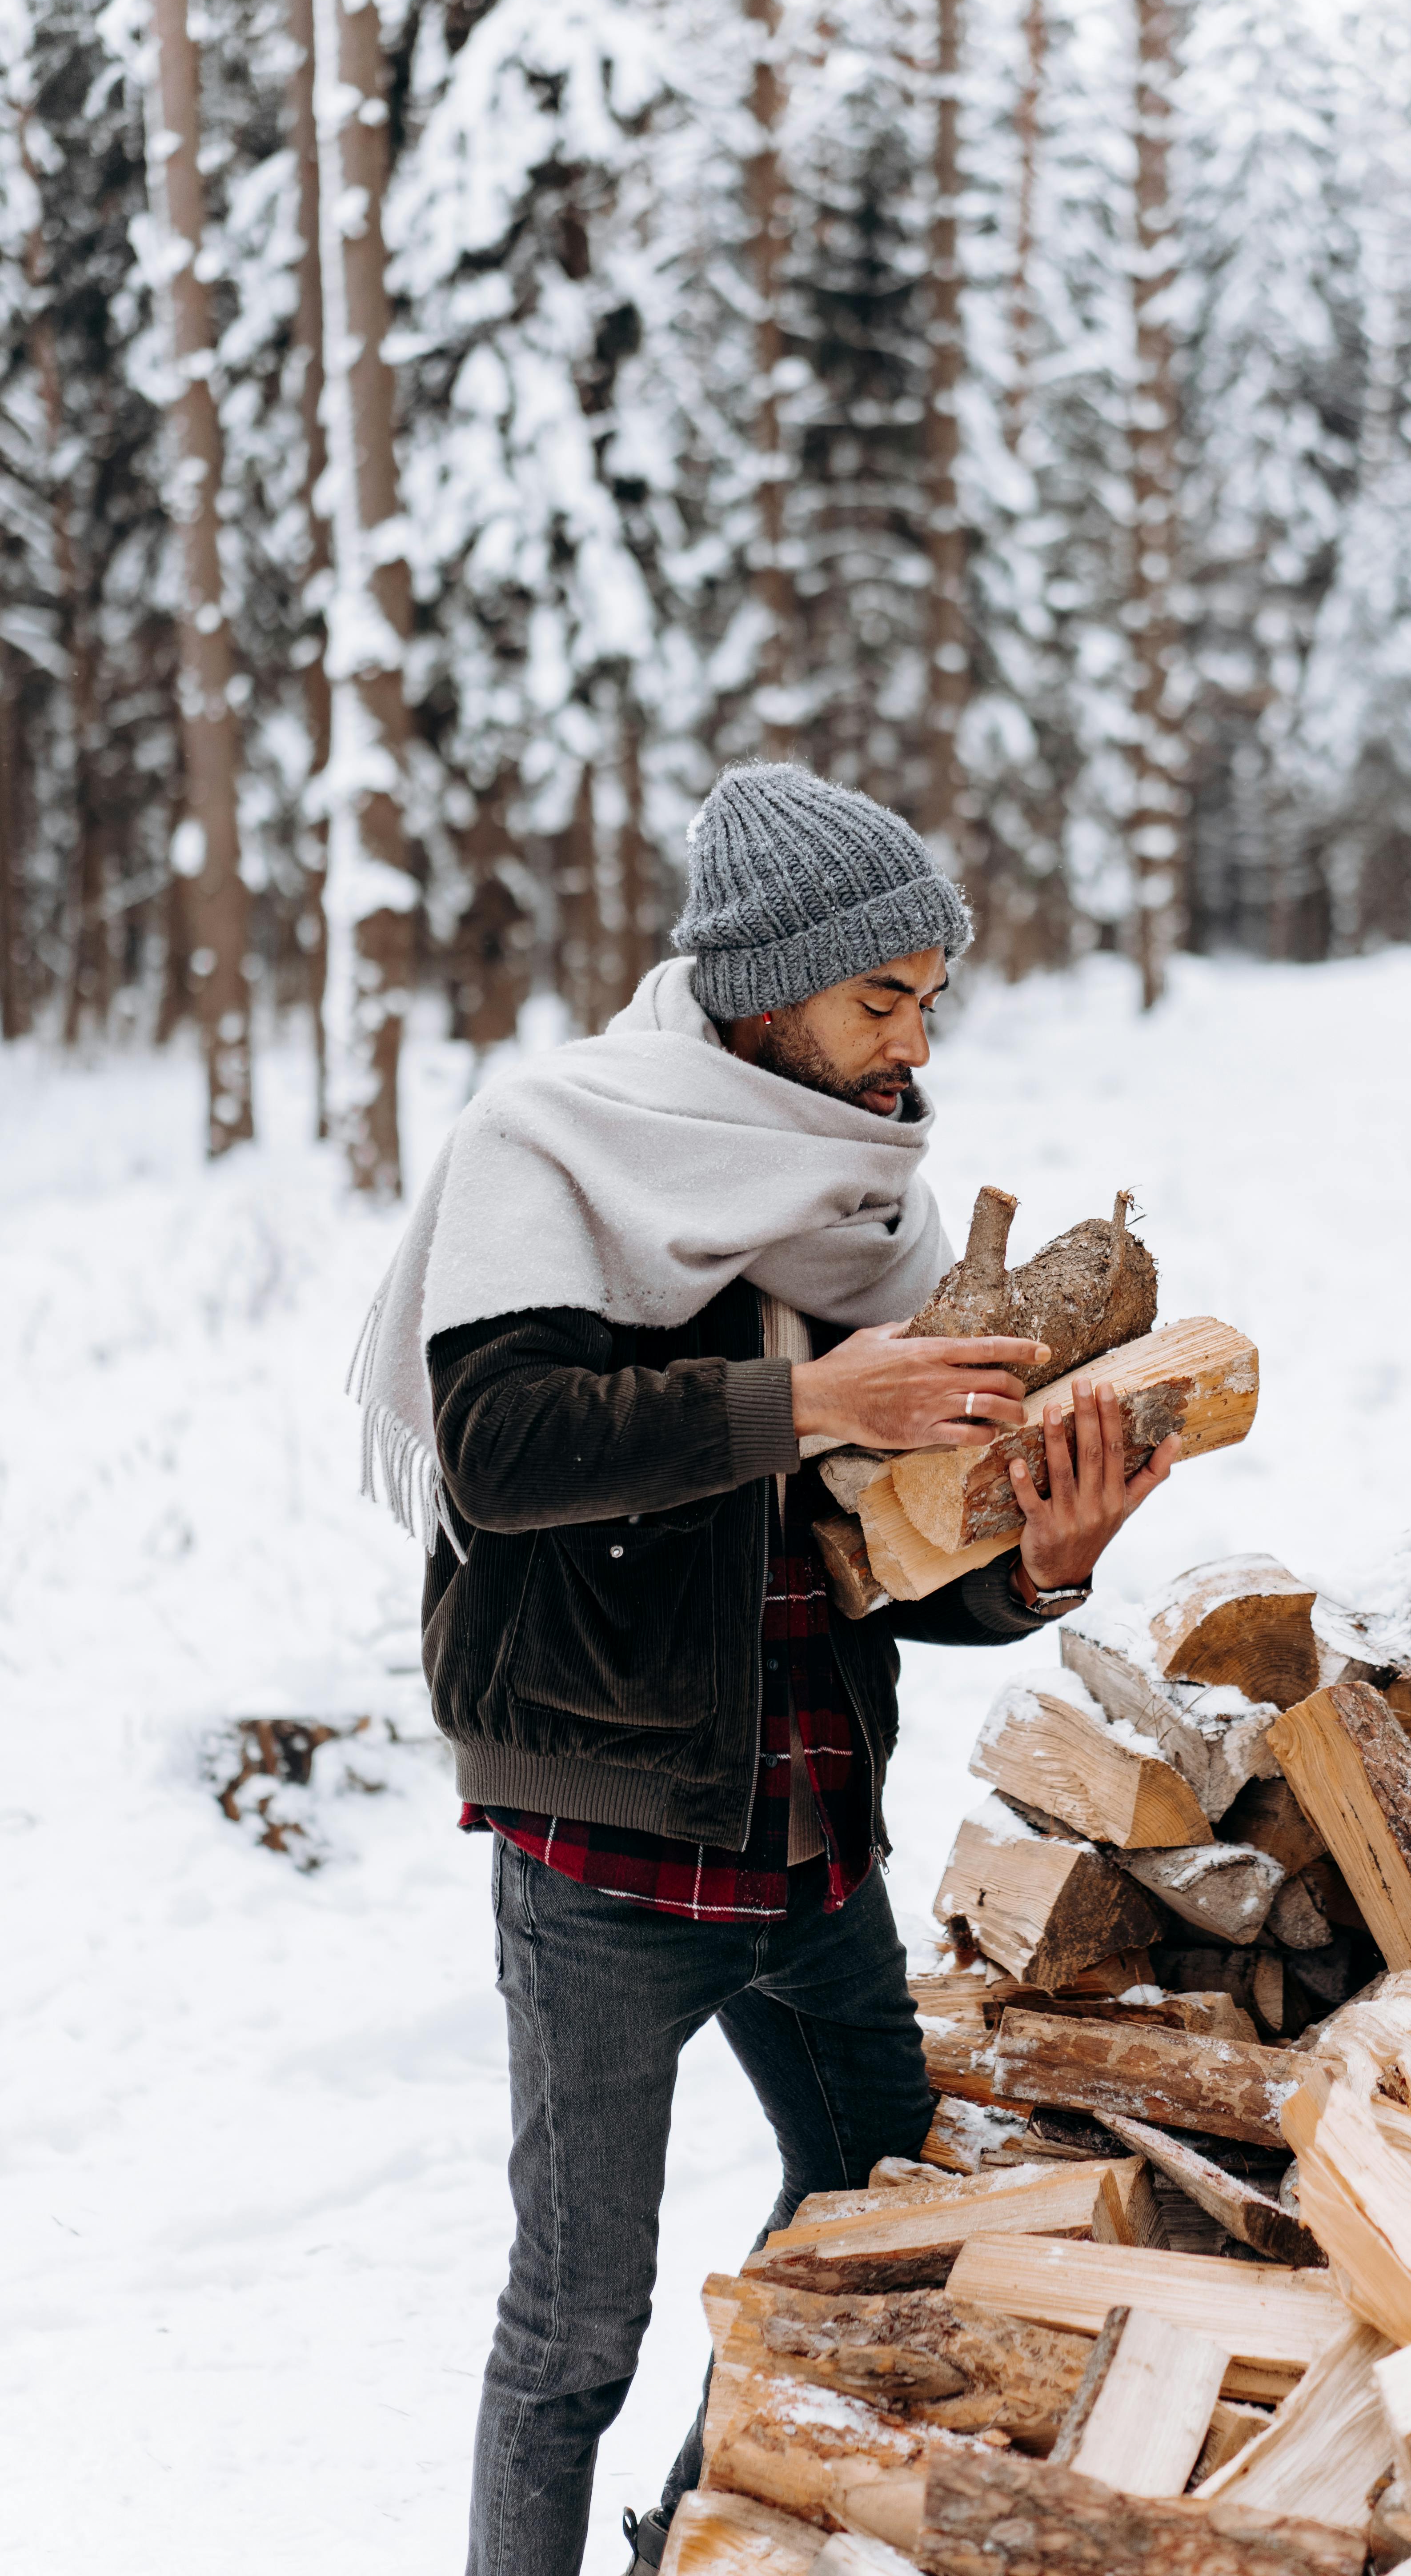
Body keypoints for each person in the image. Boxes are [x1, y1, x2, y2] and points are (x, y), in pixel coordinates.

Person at [351, 761, 1183, 2576]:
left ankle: (689, 2544)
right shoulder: (554, 1148)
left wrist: (1038, 1565)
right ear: (763, 989)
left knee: (876, 2224)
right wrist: (814, 1395)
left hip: (811, 1841)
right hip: (609, 1865)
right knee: (573, 2329)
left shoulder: (852, 1200)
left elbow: (868, 1557)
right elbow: (508, 1442)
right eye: (879, 997)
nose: (914, 1044)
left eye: (928, 1000)